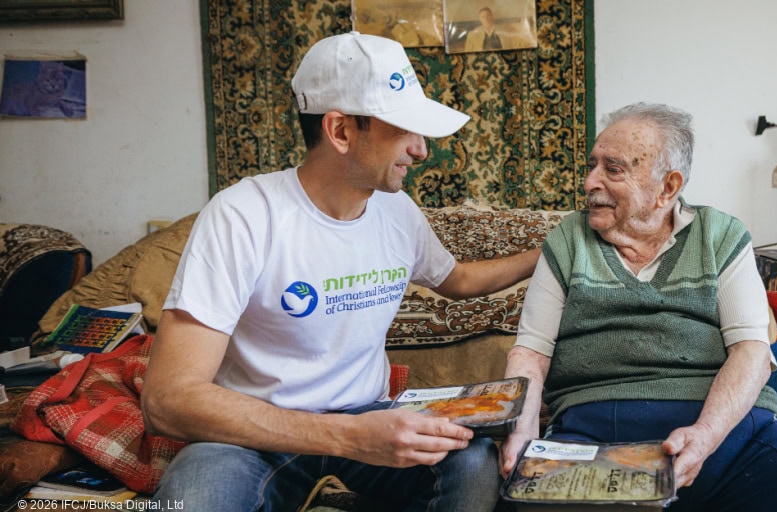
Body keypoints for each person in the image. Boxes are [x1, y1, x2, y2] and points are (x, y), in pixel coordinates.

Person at [141, 32, 540, 512]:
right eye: (404, 130)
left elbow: (460, 281)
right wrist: (347, 437)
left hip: (367, 415)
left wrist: (549, 252)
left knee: (472, 464)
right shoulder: (243, 215)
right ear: (342, 131)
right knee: (194, 499)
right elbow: (167, 399)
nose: (421, 151)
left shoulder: (398, 213)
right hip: (253, 434)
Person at [498, 102, 777, 511]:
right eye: (592, 166)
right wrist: (521, 429)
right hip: (594, 430)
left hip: (724, 429)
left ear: (668, 187)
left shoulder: (720, 235)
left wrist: (706, 434)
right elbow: (531, 353)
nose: (590, 182)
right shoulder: (568, 239)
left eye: (613, 169)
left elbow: (752, 350)